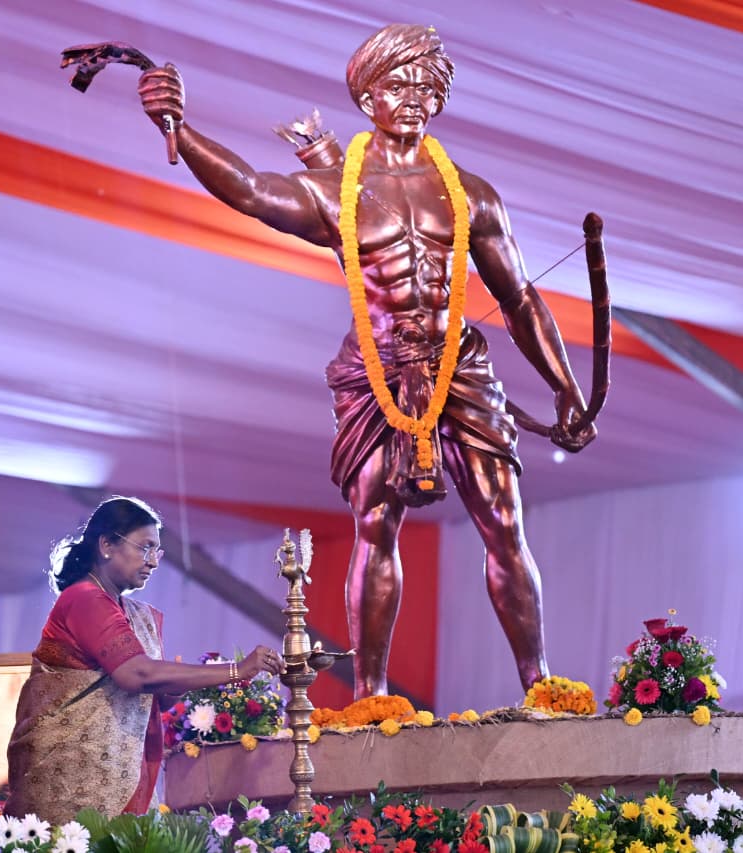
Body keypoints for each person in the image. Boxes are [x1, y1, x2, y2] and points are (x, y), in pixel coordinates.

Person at [137, 24, 595, 696]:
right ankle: (370, 694)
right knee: (376, 523)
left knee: (504, 520)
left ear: (439, 99)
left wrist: (565, 386)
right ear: (366, 97)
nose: (412, 99)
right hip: (377, 370)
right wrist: (178, 126)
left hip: (459, 365)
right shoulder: (337, 190)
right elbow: (252, 191)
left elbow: (519, 297)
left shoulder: (471, 193)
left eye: (425, 87)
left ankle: (539, 684)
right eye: (396, 85)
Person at [4, 496, 284, 824]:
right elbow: (135, 674)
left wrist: (179, 682)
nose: (153, 562)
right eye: (145, 547)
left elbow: (158, 699)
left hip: (116, 770)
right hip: (70, 775)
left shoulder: (131, 612)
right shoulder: (84, 599)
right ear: (107, 545)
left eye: (157, 552)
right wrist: (237, 670)